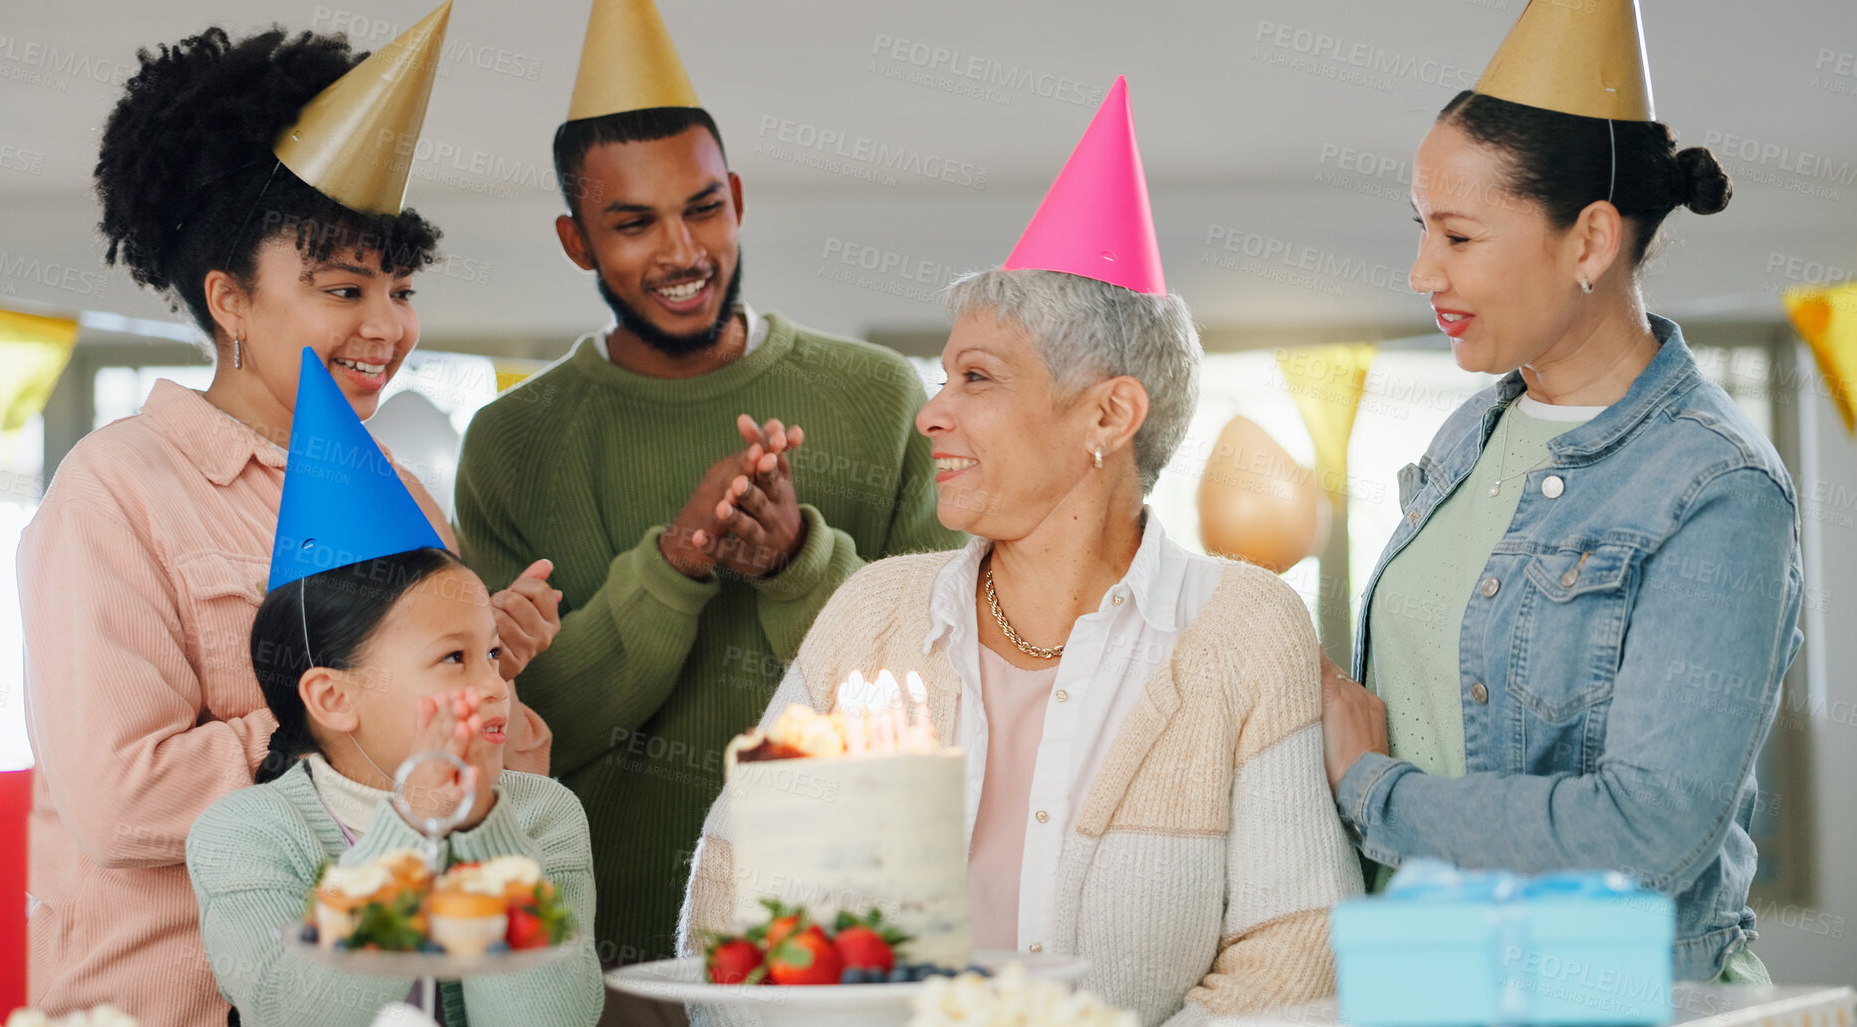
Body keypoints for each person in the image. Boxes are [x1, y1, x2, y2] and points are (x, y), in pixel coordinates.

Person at [683, 79, 1361, 1027]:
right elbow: (731, 917)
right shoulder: (873, 615)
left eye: (977, 377)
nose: (931, 412)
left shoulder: (1244, 630)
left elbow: (1296, 956)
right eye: (940, 375)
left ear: (1108, 413)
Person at [17, 13, 558, 1024]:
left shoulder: (403, 492)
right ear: (229, 299)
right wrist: (375, 707)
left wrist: (486, 673)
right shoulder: (114, 491)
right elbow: (122, 796)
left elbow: (465, 794)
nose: (388, 326)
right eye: (343, 288)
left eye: (398, 287)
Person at [453, 0, 958, 977]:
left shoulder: (881, 397)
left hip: (846, 950)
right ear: (574, 240)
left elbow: (935, 693)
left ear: (739, 196)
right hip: (594, 959)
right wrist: (676, 564)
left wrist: (796, 562)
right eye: (633, 224)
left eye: (703, 208)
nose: (681, 252)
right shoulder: (512, 442)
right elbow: (526, 734)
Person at [1318, 0, 1801, 984]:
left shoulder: (1717, 489)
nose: (1422, 271)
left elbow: (1647, 833)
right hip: (1434, 982)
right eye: (1421, 230)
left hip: (1613, 997)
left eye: (1458, 236)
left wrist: (1374, 790)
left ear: (1589, 241)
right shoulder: (1470, 433)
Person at [188, 351, 601, 1027]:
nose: (493, 686)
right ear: (331, 697)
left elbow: (550, 1021)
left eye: (491, 654)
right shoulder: (249, 832)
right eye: (453, 658)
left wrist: (480, 826)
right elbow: (295, 1015)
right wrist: (412, 824)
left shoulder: (543, 815)